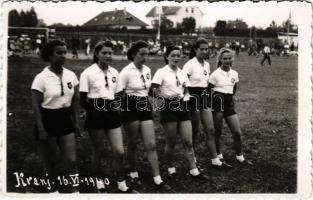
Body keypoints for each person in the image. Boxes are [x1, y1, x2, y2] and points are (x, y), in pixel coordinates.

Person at [79, 41, 135, 193]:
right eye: (105, 53)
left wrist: (116, 106)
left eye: (110, 53)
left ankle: (121, 183)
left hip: (112, 113)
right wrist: (91, 110)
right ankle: (99, 182)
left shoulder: (115, 73)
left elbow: (119, 93)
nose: (108, 56)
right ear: (97, 54)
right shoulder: (88, 73)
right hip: (96, 114)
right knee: (99, 151)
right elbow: (82, 99)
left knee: (119, 151)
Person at [116, 40, 171, 191]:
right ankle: (133, 172)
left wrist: (164, 96)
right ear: (134, 54)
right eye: (142, 54)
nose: (145, 57)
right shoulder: (126, 71)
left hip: (145, 106)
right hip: (130, 107)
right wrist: (122, 109)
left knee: (151, 144)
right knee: (132, 143)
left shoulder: (147, 69)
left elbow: (148, 90)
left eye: (147, 53)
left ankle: (157, 177)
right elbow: (119, 93)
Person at [150, 45, 210, 181]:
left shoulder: (182, 72)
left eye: (179, 55)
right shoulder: (161, 72)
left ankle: (194, 170)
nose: (176, 58)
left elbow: (186, 90)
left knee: (188, 141)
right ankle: (170, 168)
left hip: (183, 108)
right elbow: (152, 90)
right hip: (168, 108)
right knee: (171, 141)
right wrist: (165, 98)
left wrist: (187, 96)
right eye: (173, 55)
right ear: (167, 57)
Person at [31, 39, 80, 193]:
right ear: (50, 55)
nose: (63, 55)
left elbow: (75, 101)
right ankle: (53, 191)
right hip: (48, 119)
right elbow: (35, 106)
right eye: (59, 52)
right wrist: (41, 129)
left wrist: (76, 122)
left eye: (65, 52)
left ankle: (75, 192)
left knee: (71, 160)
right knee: (51, 161)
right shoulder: (41, 78)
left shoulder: (71, 75)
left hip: (65, 120)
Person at [183, 38, 232, 168]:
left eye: (206, 49)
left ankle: (215, 159)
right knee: (194, 131)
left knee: (210, 129)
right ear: (195, 50)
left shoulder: (207, 64)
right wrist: (187, 98)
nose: (205, 51)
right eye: (202, 49)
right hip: (193, 98)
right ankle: (192, 158)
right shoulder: (189, 64)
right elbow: (184, 83)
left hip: (204, 97)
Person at [209, 47, 253, 166]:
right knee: (218, 131)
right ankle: (219, 156)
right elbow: (208, 91)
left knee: (237, 132)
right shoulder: (215, 74)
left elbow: (233, 89)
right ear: (220, 60)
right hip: (217, 102)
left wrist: (228, 99)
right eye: (225, 59)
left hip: (229, 103)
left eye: (229, 58)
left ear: (232, 59)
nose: (227, 61)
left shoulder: (234, 73)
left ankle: (240, 157)